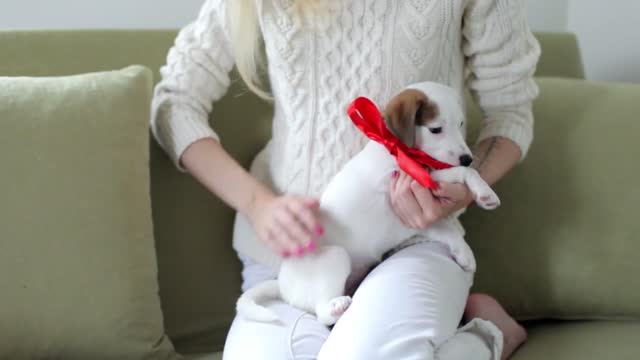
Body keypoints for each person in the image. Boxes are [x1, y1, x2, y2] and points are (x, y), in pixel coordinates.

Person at [151, 0, 540, 359]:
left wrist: (462, 191)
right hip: (296, 257)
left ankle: (490, 337)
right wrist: (257, 204)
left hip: (413, 239)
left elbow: (510, 110)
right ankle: (486, 339)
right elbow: (175, 102)